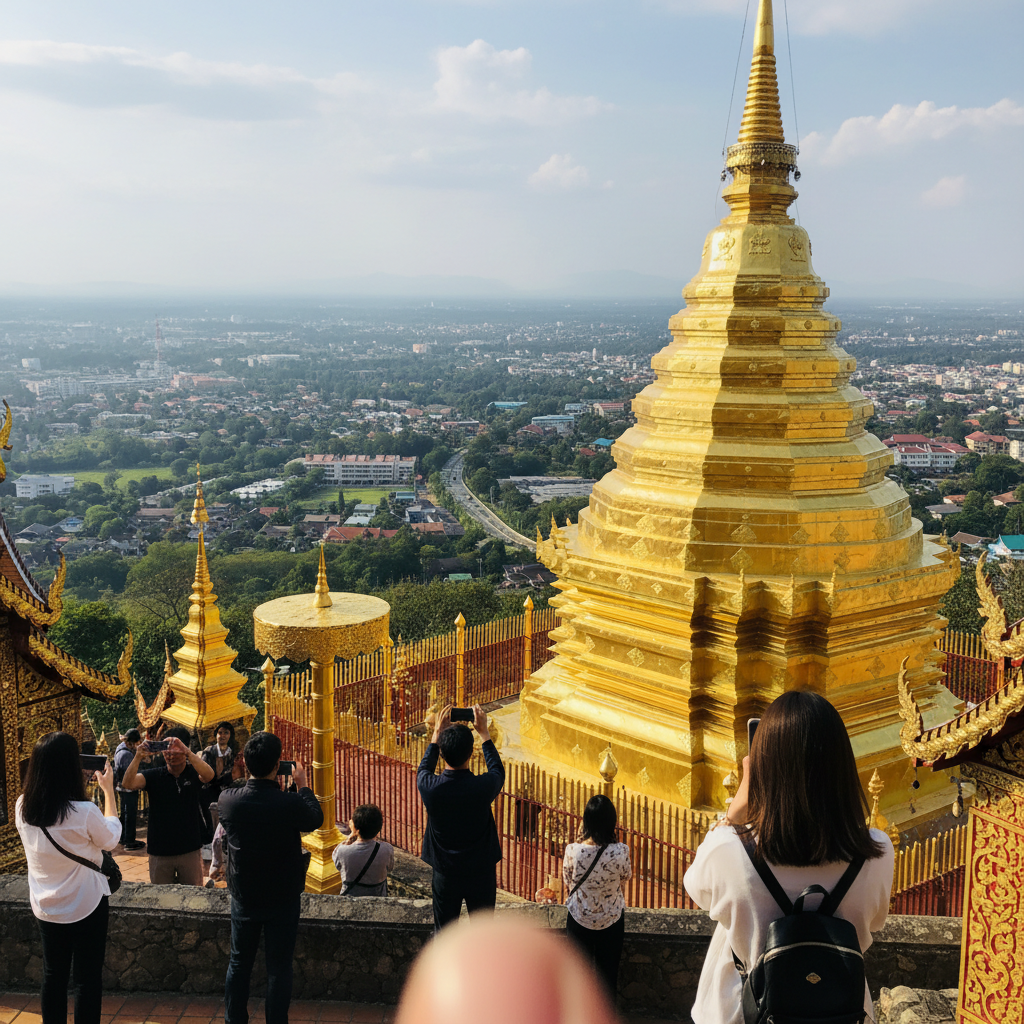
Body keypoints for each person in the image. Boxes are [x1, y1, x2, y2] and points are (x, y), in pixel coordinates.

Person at [683, 690, 895, 1024]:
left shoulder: (728, 849)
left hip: (744, 1012)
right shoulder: (878, 852)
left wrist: (732, 816)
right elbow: (875, 923)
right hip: (839, 1011)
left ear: (762, 768)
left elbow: (696, 888)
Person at [14, 732, 122, 1024]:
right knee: (87, 979)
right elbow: (111, 839)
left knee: (53, 975)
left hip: (46, 905)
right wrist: (108, 791)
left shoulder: (22, 807)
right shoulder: (83, 812)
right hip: (86, 903)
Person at [219, 731, 323, 1024]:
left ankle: (233, 1019)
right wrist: (302, 787)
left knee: (239, 963)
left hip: (245, 893)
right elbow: (314, 819)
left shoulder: (229, 800)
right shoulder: (288, 804)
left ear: (245, 763)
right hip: (282, 894)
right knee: (278, 967)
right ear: (278, 765)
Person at [417, 704, 504, 931]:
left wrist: (436, 734)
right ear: (471, 752)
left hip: (446, 872)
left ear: (442, 753)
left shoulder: (431, 788)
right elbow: (497, 771)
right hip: (480, 872)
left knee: (444, 933)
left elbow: (424, 768)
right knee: (483, 933)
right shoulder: (481, 788)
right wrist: (484, 733)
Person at [120, 724, 215, 885]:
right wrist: (137, 757)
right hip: (160, 850)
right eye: (167, 750)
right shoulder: (154, 776)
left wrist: (188, 752)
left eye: (175, 750)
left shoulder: (193, 773)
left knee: (192, 897)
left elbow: (209, 775)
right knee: (161, 901)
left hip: (189, 848)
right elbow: (128, 784)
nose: (171, 755)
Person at [562, 794, 632, 999]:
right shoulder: (621, 851)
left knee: (577, 977)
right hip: (611, 920)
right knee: (607, 977)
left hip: (579, 918)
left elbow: (568, 881)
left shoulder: (573, 850)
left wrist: (579, 840)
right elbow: (626, 875)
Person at [333, 803, 395, 896]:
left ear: (354, 827)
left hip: (351, 897)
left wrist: (350, 837)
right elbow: (390, 868)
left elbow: (337, 865)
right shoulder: (387, 849)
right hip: (378, 897)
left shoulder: (342, 851)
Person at [112, 728, 145, 851]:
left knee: (125, 813)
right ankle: (129, 841)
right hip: (128, 788)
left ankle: (124, 837)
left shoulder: (119, 749)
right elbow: (130, 774)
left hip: (121, 788)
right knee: (130, 814)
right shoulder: (126, 754)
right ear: (131, 742)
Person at [200, 721, 236, 825]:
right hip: (209, 790)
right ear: (216, 734)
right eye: (220, 733)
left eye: (226, 733)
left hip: (227, 791)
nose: (222, 736)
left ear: (230, 735)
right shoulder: (209, 751)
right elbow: (203, 770)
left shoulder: (233, 753)